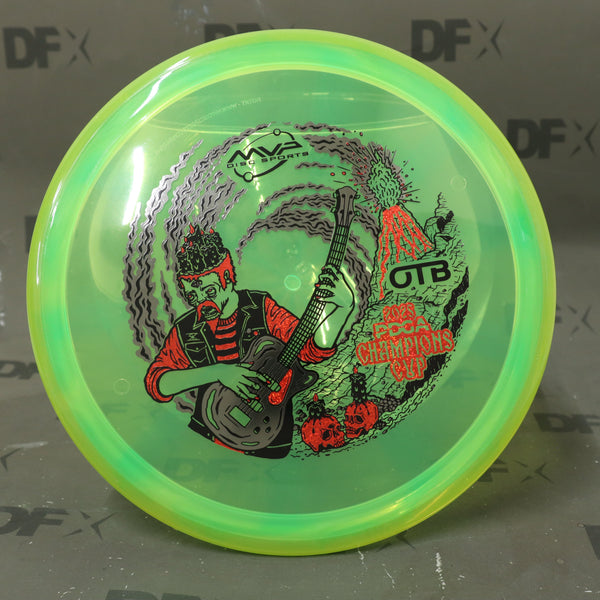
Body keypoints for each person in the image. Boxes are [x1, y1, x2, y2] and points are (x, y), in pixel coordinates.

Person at [145, 226, 354, 457]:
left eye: (210, 292)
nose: (202, 303)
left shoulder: (262, 308)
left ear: (227, 277)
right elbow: (158, 382)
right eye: (193, 296)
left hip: (267, 445)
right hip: (204, 442)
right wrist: (218, 372)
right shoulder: (185, 329)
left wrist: (343, 310)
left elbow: (307, 349)